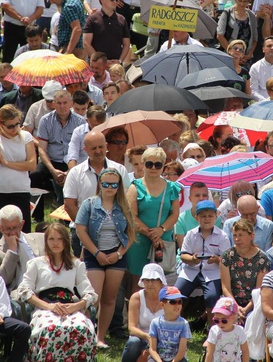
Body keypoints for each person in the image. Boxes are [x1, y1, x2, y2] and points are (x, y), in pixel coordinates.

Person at [17, 222, 98, 362]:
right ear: (46, 241)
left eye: (60, 239)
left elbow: (90, 293)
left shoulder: (76, 264)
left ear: (66, 241)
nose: (56, 243)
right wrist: (48, 306)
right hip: (45, 308)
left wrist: (76, 306)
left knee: (82, 328)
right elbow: (24, 290)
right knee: (51, 328)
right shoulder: (36, 263)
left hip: (69, 308)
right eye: (51, 239)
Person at [75, 167, 135, 348]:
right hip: (94, 255)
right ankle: (86, 335)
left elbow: (131, 234)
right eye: (106, 183)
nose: (109, 187)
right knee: (93, 298)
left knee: (110, 299)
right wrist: (96, 253)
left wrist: (118, 254)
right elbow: (80, 230)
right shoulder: (90, 204)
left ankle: (100, 337)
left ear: (119, 186)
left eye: (113, 184)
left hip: (117, 256)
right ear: (100, 184)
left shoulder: (124, 207)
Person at [126, 147, 181, 287]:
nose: (153, 168)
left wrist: (161, 230)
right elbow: (131, 216)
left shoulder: (172, 187)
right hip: (140, 240)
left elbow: (175, 214)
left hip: (163, 242)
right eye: (149, 164)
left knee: (161, 282)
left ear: (163, 166)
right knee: (137, 283)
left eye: (158, 164)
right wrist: (151, 235)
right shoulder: (134, 187)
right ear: (143, 164)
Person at [175, 199, 230, 321]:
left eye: (210, 216)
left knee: (212, 296)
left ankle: (212, 328)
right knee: (176, 294)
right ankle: (175, 323)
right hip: (191, 270)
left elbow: (226, 260)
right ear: (196, 218)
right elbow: (183, 255)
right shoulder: (191, 234)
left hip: (212, 272)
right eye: (203, 216)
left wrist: (216, 259)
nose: (207, 219)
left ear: (216, 217)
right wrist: (192, 259)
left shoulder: (222, 236)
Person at [0, 104, 36, 232]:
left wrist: (7, 163)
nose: (15, 128)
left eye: (17, 124)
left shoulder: (26, 136)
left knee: (23, 231)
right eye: (10, 126)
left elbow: (32, 164)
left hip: (20, 189)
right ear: (1, 124)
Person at [220, 218, 270, 323]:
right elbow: (225, 288)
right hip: (231, 301)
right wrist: (236, 308)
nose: (237, 239)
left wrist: (245, 310)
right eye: (235, 235)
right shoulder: (227, 256)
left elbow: (259, 290)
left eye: (241, 235)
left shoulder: (262, 259)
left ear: (251, 236)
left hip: (253, 302)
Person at [0, 204, 44, 294]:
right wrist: (12, 251)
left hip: (46, 288)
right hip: (19, 294)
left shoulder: (42, 239)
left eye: (15, 228)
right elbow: (1, 280)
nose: (12, 232)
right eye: (7, 229)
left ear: (22, 225)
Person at [83, 0, 130, 64]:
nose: (115, 2)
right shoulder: (92, 19)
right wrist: (100, 61)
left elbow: (126, 44)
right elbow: (86, 43)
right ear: (102, 0)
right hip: (96, 66)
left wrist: (120, 61)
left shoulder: (122, 19)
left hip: (115, 67)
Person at [146, 286, 191, 362]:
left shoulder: (184, 324)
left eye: (179, 302)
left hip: (177, 359)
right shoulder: (155, 323)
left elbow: (182, 351)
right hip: (158, 358)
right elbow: (152, 349)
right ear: (162, 305)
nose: (177, 305)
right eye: (173, 302)